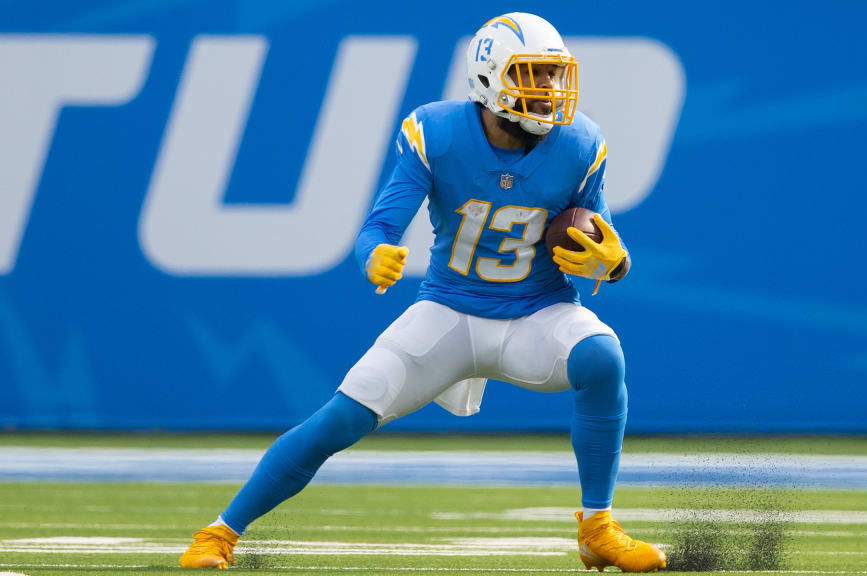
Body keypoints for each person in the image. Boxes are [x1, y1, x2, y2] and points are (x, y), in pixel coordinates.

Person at [179, 12, 666, 573]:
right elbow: (377, 229)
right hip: (449, 311)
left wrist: (617, 262)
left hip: (538, 312)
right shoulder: (438, 134)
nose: (548, 91)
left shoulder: (580, 144)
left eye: (553, 76)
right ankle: (219, 533)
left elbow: (597, 234)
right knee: (342, 418)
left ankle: (597, 528)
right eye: (531, 74)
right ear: (488, 80)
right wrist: (375, 258)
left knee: (602, 356)